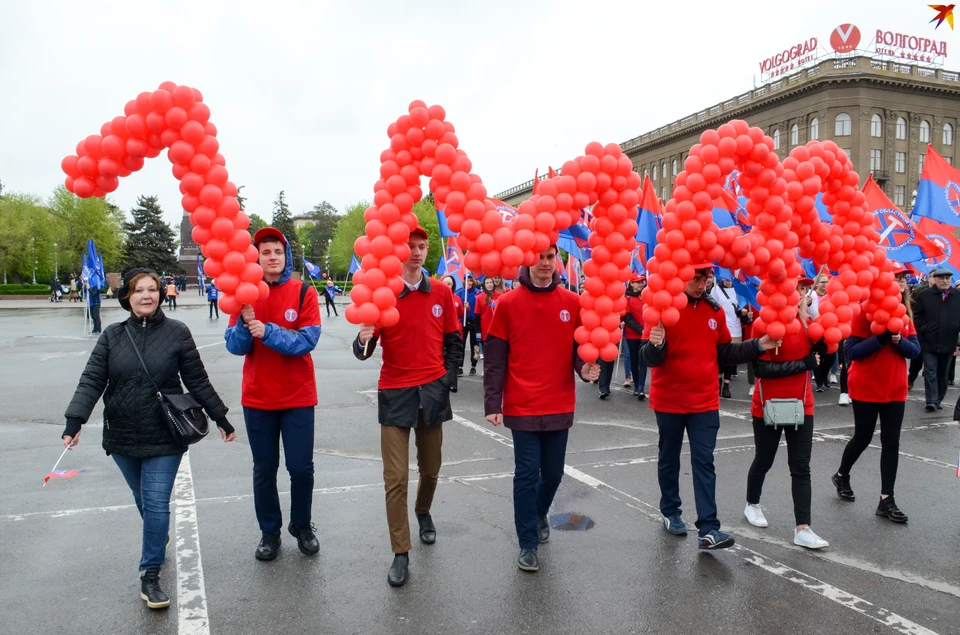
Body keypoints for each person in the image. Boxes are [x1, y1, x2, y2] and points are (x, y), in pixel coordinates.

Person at [62, 268, 235, 610]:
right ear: (127, 296)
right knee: (143, 500)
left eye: (152, 290)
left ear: (160, 294)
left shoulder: (177, 333)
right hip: (123, 435)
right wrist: (74, 421)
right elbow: (91, 382)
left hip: (165, 435)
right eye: (139, 290)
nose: (146, 296)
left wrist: (221, 417)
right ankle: (158, 536)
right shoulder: (112, 336)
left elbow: (198, 382)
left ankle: (150, 574)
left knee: (156, 503)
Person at [353, 226, 462, 588]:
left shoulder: (442, 292)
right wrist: (363, 338)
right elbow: (364, 351)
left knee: (431, 469)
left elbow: (454, 340)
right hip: (395, 392)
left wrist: (446, 379)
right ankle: (401, 551)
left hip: (431, 392)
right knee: (395, 478)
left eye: (421, 246)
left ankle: (423, 511)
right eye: (409, 246)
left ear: (427, 250)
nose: (415, 252)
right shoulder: (384, 293)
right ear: (397, 251)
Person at [640, 263, 777, 550]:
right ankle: (670, 511)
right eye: (696, 278)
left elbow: (726, 351)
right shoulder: (663, 310)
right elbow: (649, 359)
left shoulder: (714, 310)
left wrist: (758, 345)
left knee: (704, 462)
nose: (702, 284)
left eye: (706, 278)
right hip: (670, 400)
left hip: (704, 401)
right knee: (669, 458)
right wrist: (655, 345)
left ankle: (709, 528)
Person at [483, 245, 600, 572]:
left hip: (559, 401)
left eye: (551, 256)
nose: (546, 263)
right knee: (525, 474)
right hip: (522, 404)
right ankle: (528, 543)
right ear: (527, 259)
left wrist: (585, 369)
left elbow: (579, 350)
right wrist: (493, 402)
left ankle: (538, 512)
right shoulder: (506, 304)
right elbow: (494, 360)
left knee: (552, 473)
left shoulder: (573, 303)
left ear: (557, 261)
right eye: (539, 256)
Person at [225, 227, 322, 561]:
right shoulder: (243, 295)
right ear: (255, 258)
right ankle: (270, 531)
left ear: (286, 256)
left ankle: (302, 525)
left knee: (301, 469)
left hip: (297, 397)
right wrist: (243, 322)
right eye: (265, 252)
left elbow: (306, 341)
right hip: (258, 399)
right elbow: (235, 347)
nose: (272, 258)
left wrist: (268, 331)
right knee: (264, 470)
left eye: (277, 252)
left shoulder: (302, 293)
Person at [744, 279, 828, 549]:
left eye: (802, 290)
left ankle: (803, 528)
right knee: (764, 459)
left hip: (802, 404)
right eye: (794, 289)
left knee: (801, 467)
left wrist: (823, 346)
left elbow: (820, 361)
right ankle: (752, 504)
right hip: (768, 405)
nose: (799, 294)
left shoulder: (809, 326)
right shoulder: (763, 324)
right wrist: (801, 364)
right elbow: (761, 370)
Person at [833, 266, 920, 523]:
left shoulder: (904, 315)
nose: (900, 282)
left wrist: (899, 341)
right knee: (862, 437)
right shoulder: (863, 313)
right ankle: (841, 475)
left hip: (895, 388)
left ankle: (886, 499)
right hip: (866, 387)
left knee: (891, 442)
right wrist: (881, 339)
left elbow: (915, 351)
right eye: (896, 278)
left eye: (903, 278)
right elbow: (853, 353)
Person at [911, 268, 960, 411]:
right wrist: (923, 329)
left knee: (942, 372)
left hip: (948, 341)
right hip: (928, 340)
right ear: (935, 279)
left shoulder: (957, 296)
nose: (944, 281)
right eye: (941, 278)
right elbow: (917, 315)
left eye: (947, 278)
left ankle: (938, 399)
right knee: (930, 370)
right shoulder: (925, 295)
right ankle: (931, 401)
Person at [711, 276, 743, 399]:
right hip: (721, 327)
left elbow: (740, 309)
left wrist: (744, 314)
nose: (728, 280)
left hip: (735, 328)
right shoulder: (716, 290)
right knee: (720, 357)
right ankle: (718, 380)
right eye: (726, 277)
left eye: (730, 278)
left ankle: (726, 385)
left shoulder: (738, 290)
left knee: (731, 358)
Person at [623, 275, 648, 400]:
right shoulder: (626, 298)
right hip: (632, 335)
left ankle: (641, 388)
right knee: (634, 360)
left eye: (642, 282)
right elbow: (627, 318)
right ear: (631, 284)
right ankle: (636, 383)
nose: (640, 284)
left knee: (643, 360)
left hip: (645, 335)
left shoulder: (647, 296)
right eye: (637, 282)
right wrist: (640, 329)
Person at [475, 277, 502, 372]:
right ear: (484, 285)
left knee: (497, 351)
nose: (489, 284)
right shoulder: (479, 298)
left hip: (498, 329)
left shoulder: (500, 296)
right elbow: (477, 316)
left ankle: (496, 369)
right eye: (487, 283)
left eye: (491, 282)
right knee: (487, 352)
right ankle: (486, 369)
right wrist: (477, 331)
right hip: (485, 330)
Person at [457, 277, 481, 376]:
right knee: (461, 344)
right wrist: (463, 307)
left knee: (475, 345)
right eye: (467, 281)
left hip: (475, 321)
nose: (469, 283)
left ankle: (473, 366)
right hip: (463, 321)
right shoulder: (460, 293)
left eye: (471, 280)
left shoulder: (478, 293)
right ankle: (460, 366)